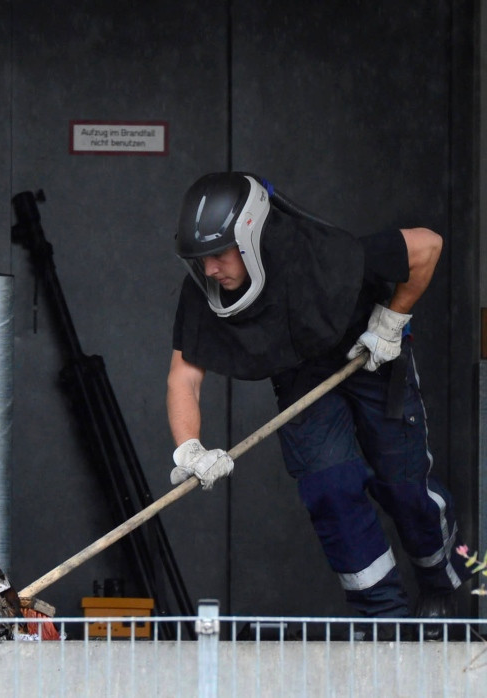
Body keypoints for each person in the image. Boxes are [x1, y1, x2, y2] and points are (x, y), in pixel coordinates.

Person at [165, 171, 466, 621]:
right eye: (199, 258)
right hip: (300, 376)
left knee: (404, 488)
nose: (208, 269)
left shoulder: (320, 253)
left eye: (218, 255)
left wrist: (390, 321)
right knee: (330, 488)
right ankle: (381, 615)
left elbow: (427, 245)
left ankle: (440, 582)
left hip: (370, 356)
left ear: (249, 235)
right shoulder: (204, 290)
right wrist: (188, 448)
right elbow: (183, 376)